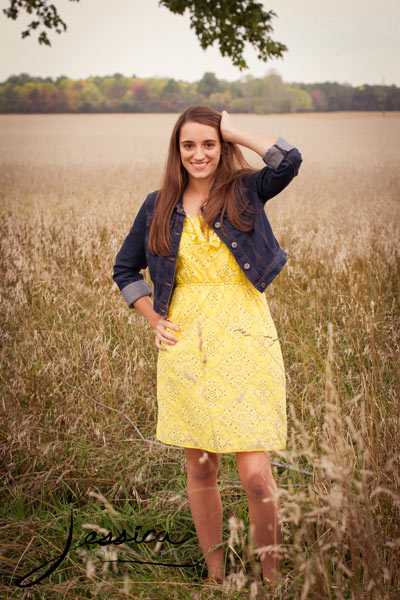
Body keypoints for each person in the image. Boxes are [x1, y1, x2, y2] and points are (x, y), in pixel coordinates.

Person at [113, 105, 302, 587]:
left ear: (222, 147)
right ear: (177, 152)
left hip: (247, 338)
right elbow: (125, 270)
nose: (199, 154)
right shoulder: (157, 206)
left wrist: (235, 129)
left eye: (209, 143)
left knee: (256, 475)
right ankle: (216, 575)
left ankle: (273, 578)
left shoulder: (243, 192)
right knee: (200, 469)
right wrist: (153, 318)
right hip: (185, 343)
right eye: (188, 145)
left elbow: (288, 161)